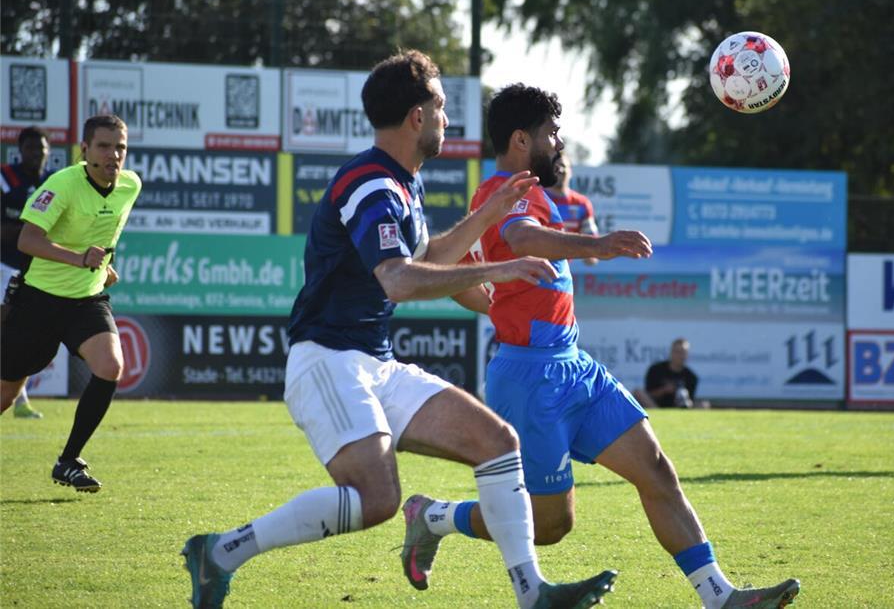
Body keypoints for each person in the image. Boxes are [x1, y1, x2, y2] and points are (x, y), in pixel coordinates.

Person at [181, 52, 615, 609]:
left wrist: (486, 219)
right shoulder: (370, 182)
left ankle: (532, 593)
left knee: (497, 442)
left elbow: (428, 255)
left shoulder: (402, 183)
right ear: (417, 116)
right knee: (376, 498)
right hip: (327, 361)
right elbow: (398, 280)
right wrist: (498, 268)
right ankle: (219, 553)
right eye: (439, 105)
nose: (446, 120)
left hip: (374, 363)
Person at [401, 83, 801, 609]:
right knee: (550, 525)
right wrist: (600, 244)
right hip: (530, 379)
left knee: (655, 468)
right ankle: (432, 516)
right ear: (521, 139)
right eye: (551, 133)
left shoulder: (523, 190)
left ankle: (719, 596)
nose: (559, 142)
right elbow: (521, 240)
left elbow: (484, 289)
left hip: (574, 367)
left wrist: (497, 300)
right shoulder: (505, 191)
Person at [0, 115, 139, 493]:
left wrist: (105, 265)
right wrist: (80, 258)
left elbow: (105, 233)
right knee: (6, 396)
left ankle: (68, 461)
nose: (114, 155)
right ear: (85, 150)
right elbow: (27, 241)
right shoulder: (61, 184)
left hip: (86, 300)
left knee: (111, 366)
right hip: (38, 301)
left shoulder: (130, 186)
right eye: (104, 146)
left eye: (121, 147)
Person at [1, 126, 52, 418]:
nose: (37, 154)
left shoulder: (52, 183)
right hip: (4, 265)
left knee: (20, 331)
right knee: (6, 327)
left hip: (36, 271)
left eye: (42, 149)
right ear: (20, 151)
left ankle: (20, 400)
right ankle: (19, 400)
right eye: (32, 148)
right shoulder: (6, 179)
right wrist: (28, 233)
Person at [544, 155, 598, 266]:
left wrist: (592, 253)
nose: (561, 170)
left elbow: (592, 250)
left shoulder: (582, 204)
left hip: (562, 273)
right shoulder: (538, 198)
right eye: (556, 167)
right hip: (532, 271)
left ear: (571, 171)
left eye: (564, 166)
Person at [644, 338, 701, 409]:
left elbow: (690, 401)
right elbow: (647, 394)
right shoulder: (655, 369)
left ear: (687, 355)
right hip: (654, 406)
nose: (680, 356)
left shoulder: (692, 377)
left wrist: (684, 398)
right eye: (677, 352)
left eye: (683, 352)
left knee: (704, 404)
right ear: (671, 353)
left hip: (678, 408)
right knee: (638, 392)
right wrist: (664, 390)